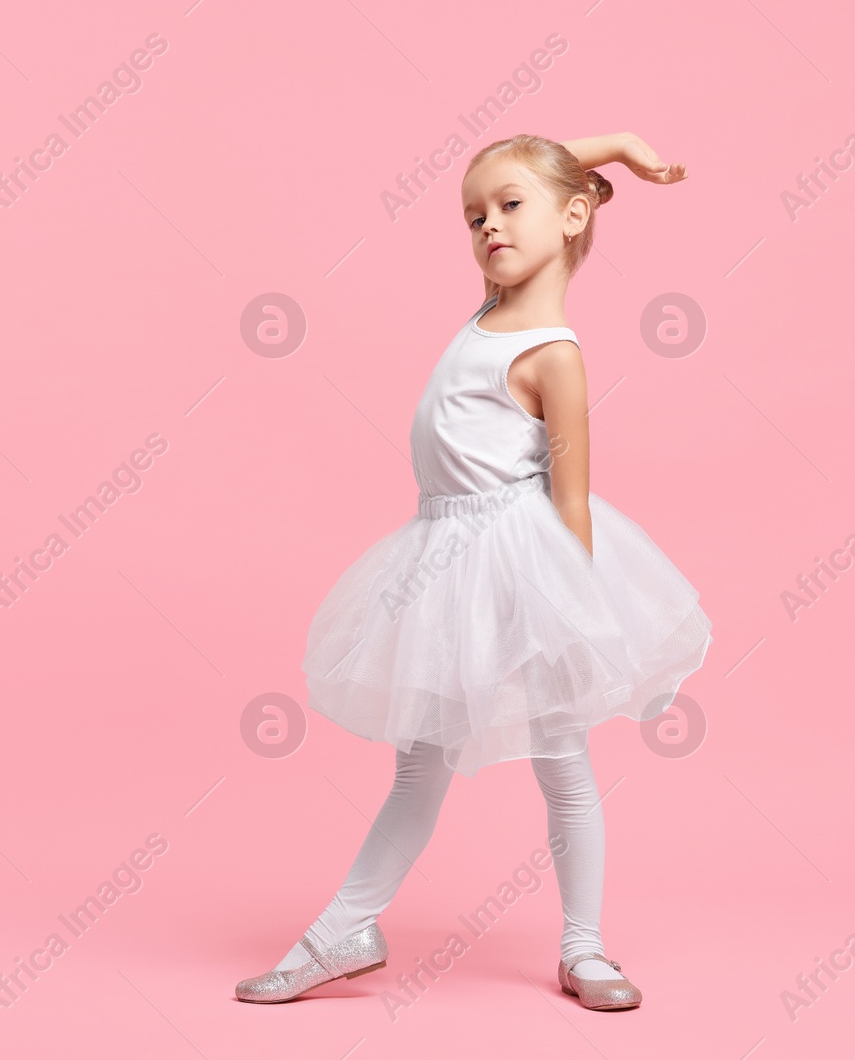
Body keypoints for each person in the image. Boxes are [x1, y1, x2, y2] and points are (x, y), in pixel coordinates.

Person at [235, 132, 712, 1011]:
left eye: (511, 207)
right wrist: (616, 148)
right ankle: (345, 927)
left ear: (572, 218)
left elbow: (572, 499)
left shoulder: (551, 352)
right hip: (442, 568)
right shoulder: (488, 311)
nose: (489, 223)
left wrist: (574, 617)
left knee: (563, 760)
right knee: (420, 767)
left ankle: (585, 947)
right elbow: (546, 164)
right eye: (474, 215)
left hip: (521, 572)